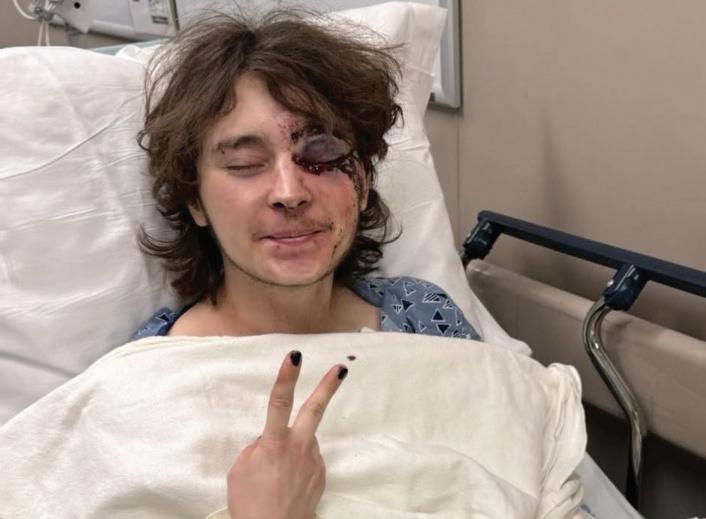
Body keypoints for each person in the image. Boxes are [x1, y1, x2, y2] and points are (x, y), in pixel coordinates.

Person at [134, 8, 481, 518]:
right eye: (244, 164)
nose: (290, 192)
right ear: (194, 200)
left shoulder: (423, 318)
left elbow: (513, 459)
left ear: (362, 181)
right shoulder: (148, 377)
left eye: (321, 153)